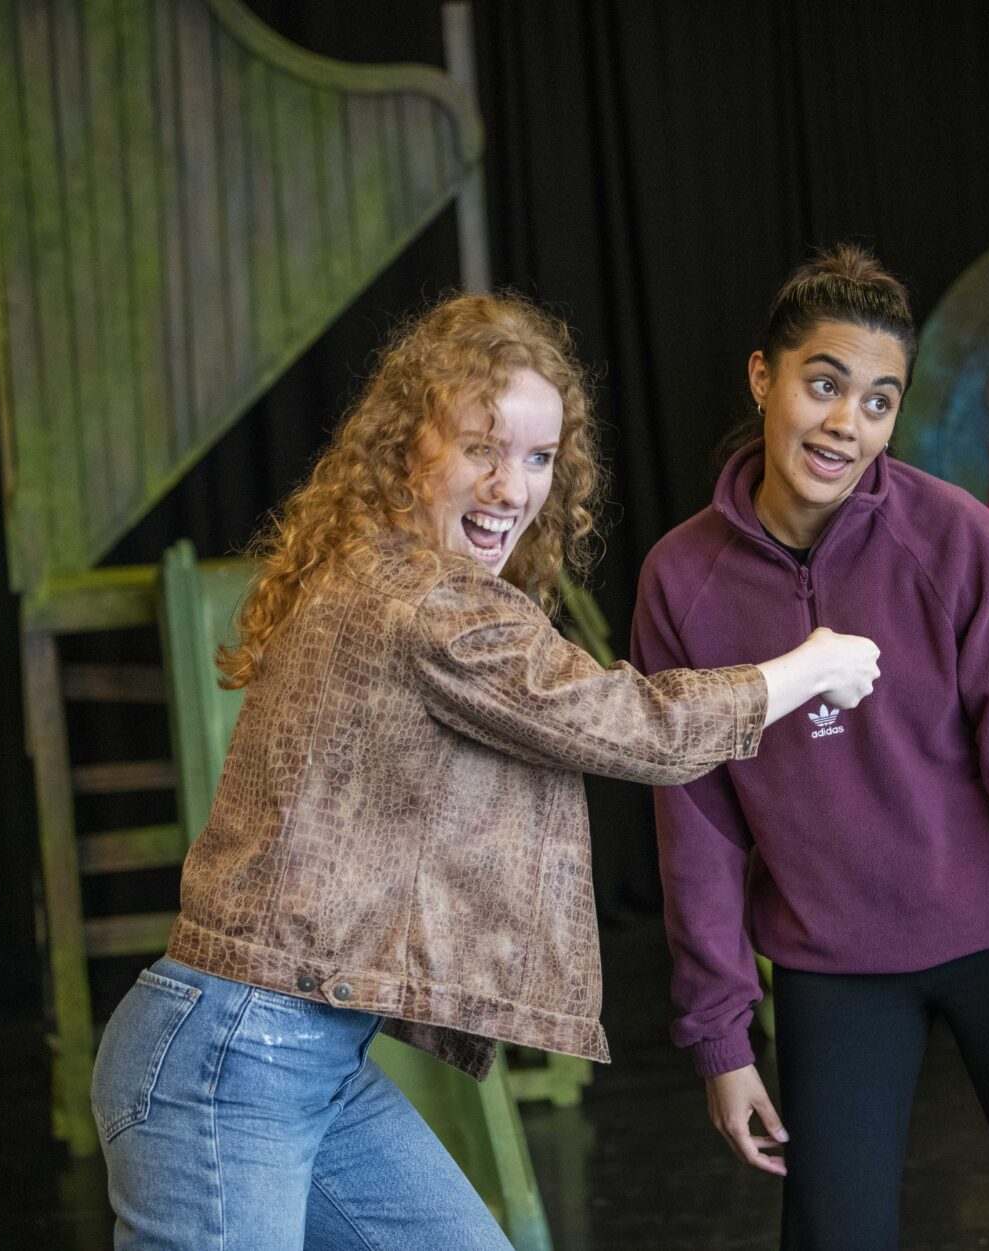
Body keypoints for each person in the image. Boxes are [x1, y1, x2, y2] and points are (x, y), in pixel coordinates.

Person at [90, 292, 884, 1251]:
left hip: (299, 1055)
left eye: (539, 457)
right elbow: (629, 724)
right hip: (234, 1056)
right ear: (406, 448)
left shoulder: (384, 572)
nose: (513, 486)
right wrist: (810, 666)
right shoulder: (426, 604)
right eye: (482, 447)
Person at [630, 246, 989, 1251]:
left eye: (877, 402)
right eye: (822, 385)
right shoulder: (680, 580)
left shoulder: (957, 544)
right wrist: (718, 1036)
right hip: (829, 964)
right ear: (763, 377)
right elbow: (694, 824)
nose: (845, 424)